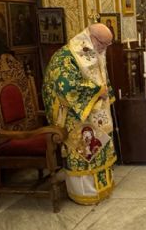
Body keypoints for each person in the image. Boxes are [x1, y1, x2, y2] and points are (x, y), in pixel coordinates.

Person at [42, 23, 116, 205]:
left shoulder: (95, 50)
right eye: (103, 44)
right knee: (85, 148)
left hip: (95, 111)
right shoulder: (66, 56)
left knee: (99, 144)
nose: (104, 48)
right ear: (91, 37)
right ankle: (85, 193)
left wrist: (103, 93)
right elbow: (67, 85)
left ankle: (101, 187)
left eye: (108, 44)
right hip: (74, 113)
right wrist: (96, 92)